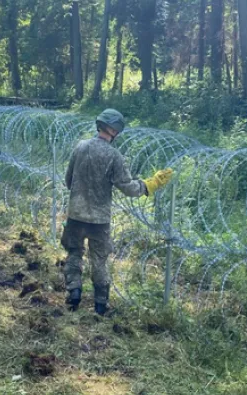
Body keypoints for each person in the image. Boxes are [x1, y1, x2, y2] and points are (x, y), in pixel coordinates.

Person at [62, 109, 173, 315]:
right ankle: (100, 304)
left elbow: (68, 181)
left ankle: (74, 293)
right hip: (99, 220)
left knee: (74, 253)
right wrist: (150, 184)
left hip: (75, 215)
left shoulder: (80, 147)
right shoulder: (114, 156)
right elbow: (129, 188)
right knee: (99, 260)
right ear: (113, 130)